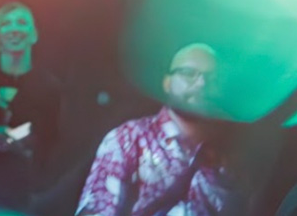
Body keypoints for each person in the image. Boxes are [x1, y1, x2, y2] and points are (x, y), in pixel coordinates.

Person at [76, 43, 241, 216]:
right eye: (189, 73)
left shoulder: (230, 159)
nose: (201, 83)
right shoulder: (129, 139)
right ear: (167, 83)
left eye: (213, 79)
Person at [0, 1, 63, 210]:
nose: (14, 29)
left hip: (22, 191)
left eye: (22, 22)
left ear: (34, 35)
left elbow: (52, 139)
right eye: (6, 23)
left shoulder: (49, 86)